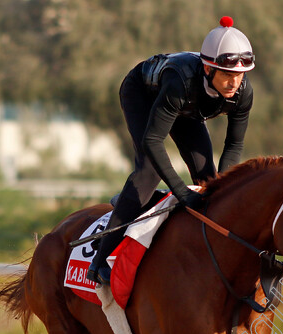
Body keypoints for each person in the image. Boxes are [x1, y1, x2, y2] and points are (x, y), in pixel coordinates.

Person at [86, 16, 255, 285]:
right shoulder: (181, 82)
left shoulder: (243, 93)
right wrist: (181, 192)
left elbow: (234, 146)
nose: (234, 83)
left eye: (240, 75)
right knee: (148, 172)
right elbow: (153, 141)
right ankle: (99, 261)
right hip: (144, 93)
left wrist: (224, 190)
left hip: (186, 109)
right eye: (227, 74)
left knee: (210, 181)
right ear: (209, 69)